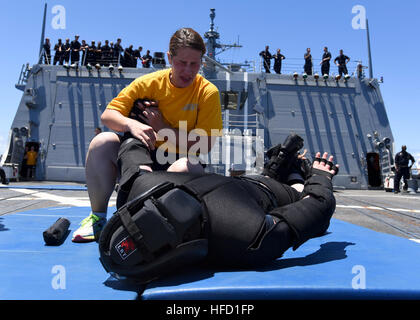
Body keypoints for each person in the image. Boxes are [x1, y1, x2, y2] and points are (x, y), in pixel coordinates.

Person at [98, 133, 339, 281]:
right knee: (297, 190)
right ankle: (293, 169)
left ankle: (278, 167)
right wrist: (318, 176)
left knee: (277, 187)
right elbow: (318, 205)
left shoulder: (248, 239)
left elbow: (318, 204)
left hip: (247, 189)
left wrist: (320, 178)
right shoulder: (248, 238)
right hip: (259, 191)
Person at [72, 27, 223, 243]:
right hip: (142, 153)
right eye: (182, 62)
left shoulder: (207, 93)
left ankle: (163, 220)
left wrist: (162, 128)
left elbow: (205, 144)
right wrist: (130, 124)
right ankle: (98, 217)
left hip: (178, 158)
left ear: (202, 62)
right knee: (102, 142)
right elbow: (108, 115)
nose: (188, 71)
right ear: (170, 58)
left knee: (185, 165)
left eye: (194, 64)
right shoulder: (149, 83)